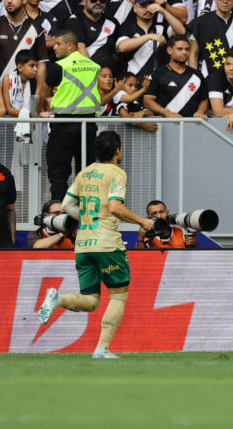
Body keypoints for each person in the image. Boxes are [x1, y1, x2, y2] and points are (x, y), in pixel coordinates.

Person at [37, 129, 155, 359]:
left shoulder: (85, 173)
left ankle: (57, 298)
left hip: (83, 244)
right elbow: (114, 207)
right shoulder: (117, 173)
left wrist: (84, 218)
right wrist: (143, 221)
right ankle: (102, 349)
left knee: (91, 301)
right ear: (118, 151)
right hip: (107, 244)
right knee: (118, 296)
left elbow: (67, 203)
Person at [44, 29, 101, 200]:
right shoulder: (93, 65)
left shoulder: (60, 66)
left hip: (64, 124)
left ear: (70, 46)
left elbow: (47, 88)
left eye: (58, 44)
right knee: (86, 173)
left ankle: (59, 217)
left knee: (59, 173)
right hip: (88, 124)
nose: (54, 47)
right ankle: (86, 216)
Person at [143, 34, 208, 118]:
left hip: (192, 125)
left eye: (187, 49)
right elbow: (147, 100)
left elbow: (204, 100)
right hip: (165, 125)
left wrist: (200, 111)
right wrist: (166, 112)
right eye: (180, 49)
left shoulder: (197, 75)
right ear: (169, 50)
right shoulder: (158, 73)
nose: (184, 52)